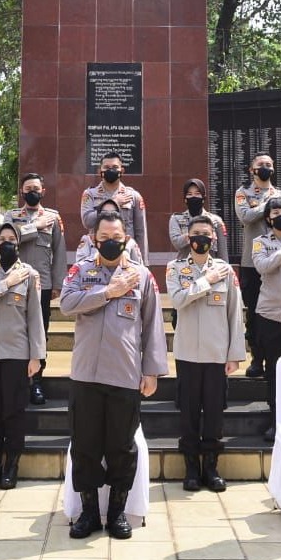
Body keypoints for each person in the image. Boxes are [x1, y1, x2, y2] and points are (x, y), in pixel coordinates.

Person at [62, 210, 167, 540]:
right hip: (86, 375)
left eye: (116, 238)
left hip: (124, 375)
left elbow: (152, 325)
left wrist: (151, 371)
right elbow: (67, 303)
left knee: (122, 447)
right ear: (93, 240)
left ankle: (118, 512)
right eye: (104, 238)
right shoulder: (81, 270)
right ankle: (89, 513)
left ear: (127, 240)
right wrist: (108, 291)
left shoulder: (142, 276)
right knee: (85, 446)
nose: (110, 243)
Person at [167, 215, 244, 493]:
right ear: (188, 239)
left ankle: (211, 467)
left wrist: (234, 354)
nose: (202, 238)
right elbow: (177, 300)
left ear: (214, 239)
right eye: (196, 233)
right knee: (188, 412)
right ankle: (190, 467)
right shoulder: (175, 268)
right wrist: (205, 280)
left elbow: (235, 313)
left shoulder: (225, 270)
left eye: (207, 234)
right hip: (187, 353)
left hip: (216, 354)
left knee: (214, 413)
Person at [0, 222, 45, 490]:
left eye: (11, 238)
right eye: (2, 239)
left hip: (17, 353)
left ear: (19, 243)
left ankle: (11, 466)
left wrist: (36, 356)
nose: (6, 243)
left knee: (14, 412)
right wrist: (5, 284)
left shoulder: (30, 274)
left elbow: (35, 317)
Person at [3, 172, 66, 405]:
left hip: (43, 284)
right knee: (17, 332)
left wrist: (58, 283)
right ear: (21, 192)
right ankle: (18, 381)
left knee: (40, 333)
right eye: (28, 189)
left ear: (43, 191)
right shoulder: (11, 216)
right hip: (16, 283)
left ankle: (36, 381)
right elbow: (8, 240)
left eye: (36, 189)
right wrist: (34, 227)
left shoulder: (53, 217)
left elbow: (59, 251)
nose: (32, 192)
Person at [235, 152, 281, 378]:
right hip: (253, 261)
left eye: (269, 164)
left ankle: (279, 358)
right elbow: (245, 216)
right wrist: (268, 205)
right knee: (255, 312)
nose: (265, 167)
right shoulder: (243, 193)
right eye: (261, 164)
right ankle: (257, 359)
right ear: (252, 170)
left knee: (279, 312)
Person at [251, 194, 281, 441]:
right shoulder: (260, 242)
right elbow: (263, 266)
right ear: (268, 218)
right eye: (276, 213)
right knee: (273, 369)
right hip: (271, 314)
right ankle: (275, 418)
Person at [81, 152, 149, 263]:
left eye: (114, 167)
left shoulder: (133, 196)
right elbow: (87, 222)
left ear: (122, 171)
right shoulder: (90, 194)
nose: (110, 170)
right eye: (106, 167)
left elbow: (141, 232)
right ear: (100, 171)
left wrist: (143, 263)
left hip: (126, 255)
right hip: (97, 255)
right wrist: (113, 202)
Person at [169, 178, 228, 264]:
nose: (193, 197)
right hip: (185, 268)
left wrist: (225, 267)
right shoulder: (177, 219)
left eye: (197, 194)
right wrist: (196, 235)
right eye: (189, 194)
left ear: (203, 197)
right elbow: (177, 243)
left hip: (210, 268)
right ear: (185, 199)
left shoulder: (216, 221)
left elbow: (223, 252)